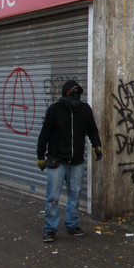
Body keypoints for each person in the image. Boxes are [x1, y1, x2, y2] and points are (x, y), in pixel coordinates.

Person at [36, 80, 102, 243]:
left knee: (75, 194)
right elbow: (44, 134)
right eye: (71, 93)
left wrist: (97, 145)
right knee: (53, 196)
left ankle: (72, 224)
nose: (75, 97)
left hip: (77, 161)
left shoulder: (85, 110)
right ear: (65, 94)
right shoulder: (55, 110)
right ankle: (50, 228)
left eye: (77, 93)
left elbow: (92, 130)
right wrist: (40, 156)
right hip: (57, 160)